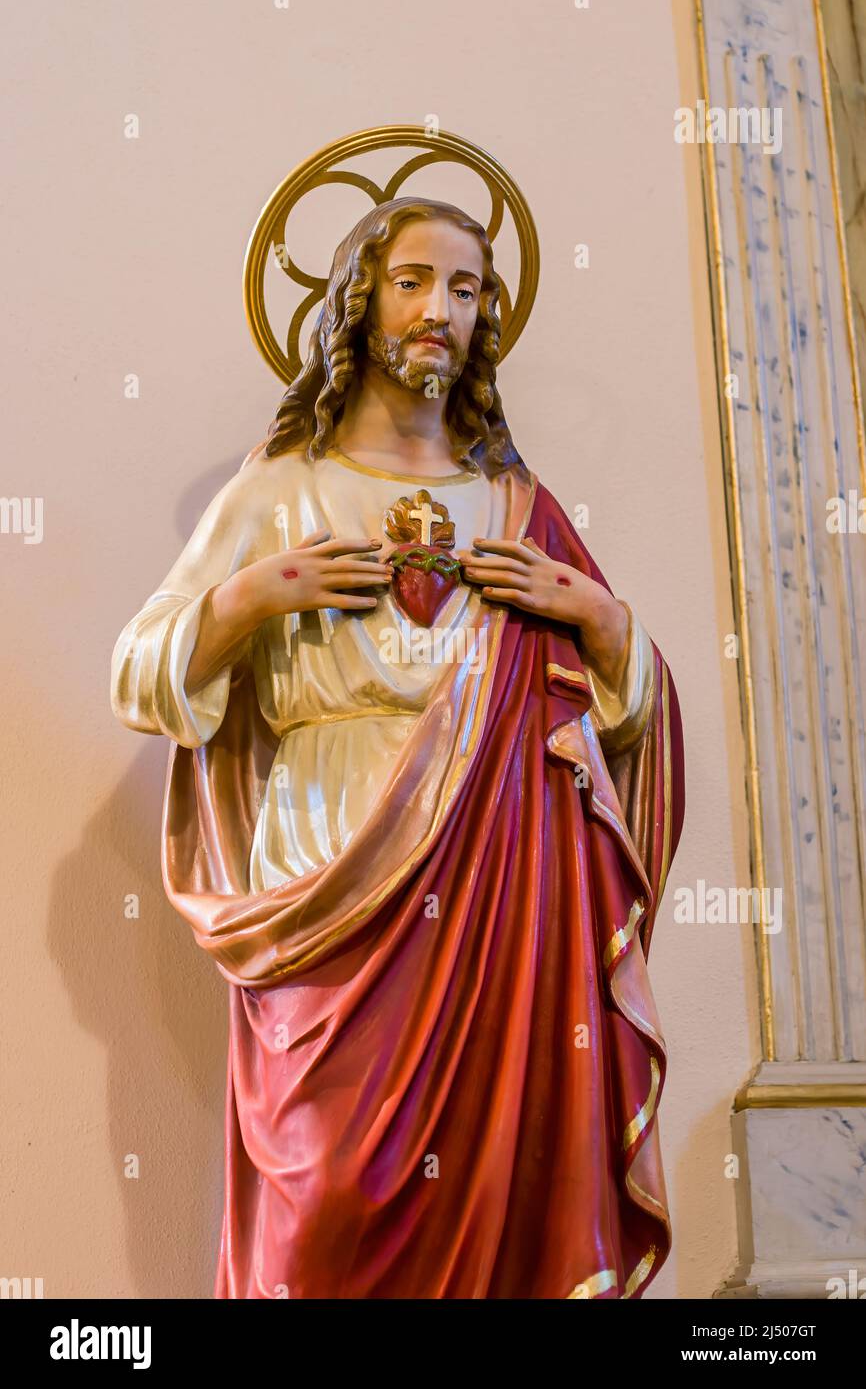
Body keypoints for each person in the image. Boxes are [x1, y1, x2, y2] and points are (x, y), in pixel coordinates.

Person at [110, 197, 684, 1298]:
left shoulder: (515, 507)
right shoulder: (279, 491)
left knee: (508, 1182)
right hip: (327, 876)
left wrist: (605, 626)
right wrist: (245, 597)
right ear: (359, 300)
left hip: (506, 891)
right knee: (321, 1204)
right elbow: (139, 676)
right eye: (413, 281)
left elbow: (619, 724)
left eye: (464, 289)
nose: (439, 311)